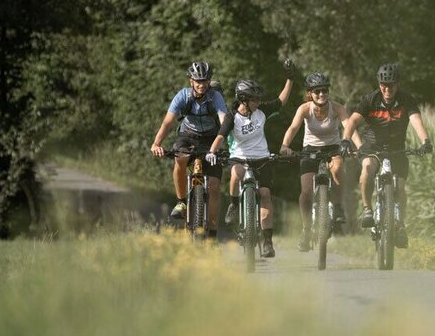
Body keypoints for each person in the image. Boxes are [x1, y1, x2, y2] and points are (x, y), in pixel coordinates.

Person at [207, 59, 296, 258]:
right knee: (236, 173)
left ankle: (268, 241)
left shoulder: (261, 112)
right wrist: (212, 152)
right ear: (244, 100)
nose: (258, 102)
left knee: (265, 194)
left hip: (261, 159)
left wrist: (290, 79)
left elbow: (281, 101)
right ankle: (234, 204)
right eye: (255, 99)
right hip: (240, 158)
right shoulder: (232, 117)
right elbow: (220, 136)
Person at [340, 63, 432, 248]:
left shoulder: (406, 100)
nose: (387, 89)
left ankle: (400, 225)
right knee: (367, 168)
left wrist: (425, 141)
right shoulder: (370, 99)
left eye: (391, 85)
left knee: (400, 188)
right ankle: (367, 209)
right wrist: (345, 140)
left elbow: (416, 120)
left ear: (398, 84)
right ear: (379, 84)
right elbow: (353, 121)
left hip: (397, 149)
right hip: (372, 147)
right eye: (384, 85)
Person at [280, 72, 361, 251]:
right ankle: (306, 230)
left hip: (333, 148)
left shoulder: (337, 108)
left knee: (338, 169)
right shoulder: (304, 109)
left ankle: (338, 207)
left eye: (324, 90)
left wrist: (359, 147)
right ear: (310, 93)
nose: (321, 94)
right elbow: (293, 128)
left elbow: (350, 127)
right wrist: (285, 145)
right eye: (317, 91)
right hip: (310, 150)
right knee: (306, 191)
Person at [150, 61, 229, 239]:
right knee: (180, 157)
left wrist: (227, 145)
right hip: (188, 136)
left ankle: (212, 236)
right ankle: (181, 202)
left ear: (209, 81)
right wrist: (156, 143)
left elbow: (224, 121)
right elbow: (168, 122)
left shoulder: (215, 97)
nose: (201, 84)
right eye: (198, 81)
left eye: (205, 80)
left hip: (211, 139)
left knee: (214, 186)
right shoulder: (182, 96)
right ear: (191, 81)